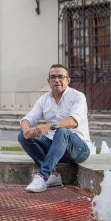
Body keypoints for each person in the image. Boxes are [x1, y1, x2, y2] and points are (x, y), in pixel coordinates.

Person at [18, 64, 93, 193]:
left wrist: (49, 126)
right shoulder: (44, 99)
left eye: (60, 77)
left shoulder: (77, 97)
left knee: (62, 131)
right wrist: (26, 130)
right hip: (56, 148)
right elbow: (28, 118)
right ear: (49, 81)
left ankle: (42, 177)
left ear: (67, 80)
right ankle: (53, 175)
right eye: (53, 77)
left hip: (79, 149)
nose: (56, 80)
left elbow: (73, 121)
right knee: (22, 136)